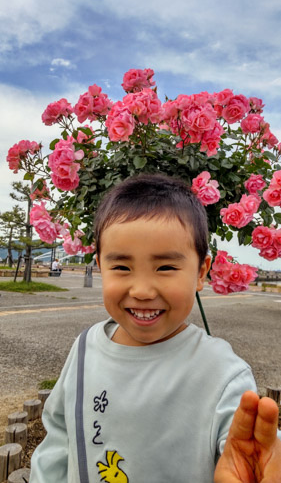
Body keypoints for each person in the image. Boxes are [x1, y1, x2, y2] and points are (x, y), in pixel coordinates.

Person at [30, 174, 281, 483]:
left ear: (201, 271)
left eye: (165, 267)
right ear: (100, 265)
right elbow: (59, 440)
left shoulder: (223, 373)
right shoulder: (84, 348)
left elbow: (248, 449)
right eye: (121, 267)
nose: (142, 291)